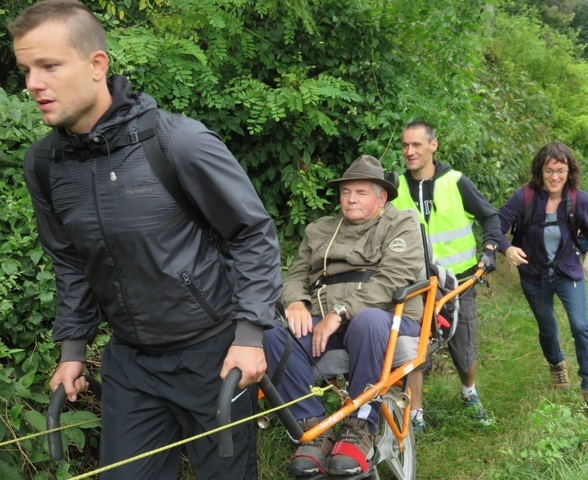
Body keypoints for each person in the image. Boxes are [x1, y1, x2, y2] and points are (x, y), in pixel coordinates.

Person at [9, 1, 282, 478]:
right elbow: (71, 263)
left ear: (97, 65)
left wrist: (250, 336)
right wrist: (73, 349)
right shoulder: (45, 165)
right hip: (130, 363)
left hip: (214, 356)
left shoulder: (177, 143)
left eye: (49, 66)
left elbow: (252, 232)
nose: (33, 83)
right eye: (26, 69)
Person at [264, 155, 425, 477]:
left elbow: (395, 277)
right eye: (346, 192)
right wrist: (295, 301)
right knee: (271, 334)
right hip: (323, 318)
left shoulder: (401, 223)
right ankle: (313, 429)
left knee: (367, 321)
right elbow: (295, 275)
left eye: (362, 192)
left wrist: (341, 311)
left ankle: (360, 425)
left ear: (381, 197)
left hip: (386, 317)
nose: (351, 199)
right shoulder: (319, 229)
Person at [498, 141, 588, 414]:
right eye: (549, 170)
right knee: (547, 326)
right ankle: (557, 364)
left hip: (567, 271)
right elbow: (496, 225)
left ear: (570, 171)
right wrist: (507, 248)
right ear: (540, 171)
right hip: (533, 274)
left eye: (561, 171)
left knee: (581, 325)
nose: (555, 177)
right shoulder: (525, 197)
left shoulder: (578, 199)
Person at [391, 120, 500, 427]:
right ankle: (415, 415)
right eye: (405, 145)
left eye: (417, 145)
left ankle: (469, 391)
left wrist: (490, 249)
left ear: (433, 146)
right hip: (414, 283)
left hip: (460, 281)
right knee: (412, 347)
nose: (410, 152)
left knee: (463, 348)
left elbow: (490, 216)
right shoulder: (394, 185)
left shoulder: (456, 182)